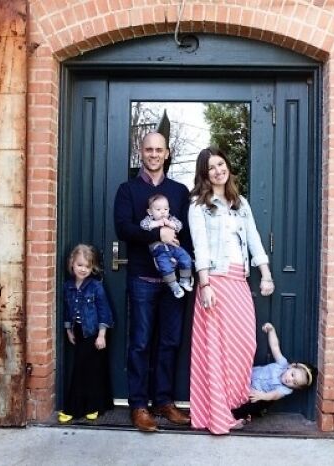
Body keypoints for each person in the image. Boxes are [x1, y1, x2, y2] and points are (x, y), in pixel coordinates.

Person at [188, 146, 275, 435]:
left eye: (221, 164)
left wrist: (266, 275)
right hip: (214, 281)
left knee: (244, 346)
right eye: (211, 167)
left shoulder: (240, 203)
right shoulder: (198, 206)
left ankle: (236, 405)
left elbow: (254, 240)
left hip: (238, 282)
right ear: (204, 174)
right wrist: (205, 285)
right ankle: (218, 414)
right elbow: (199, 247)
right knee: (217, 351)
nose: (218, 170)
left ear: (227, 167)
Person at [114, 132, 192, 432]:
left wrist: (189, 266)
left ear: (167, 153)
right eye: (149, 149)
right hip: (142, 279)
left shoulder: (179, 191)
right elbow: (123, 229)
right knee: (141, 343)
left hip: (174, 280)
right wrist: (155, 234)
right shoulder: (127, 190)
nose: (154, 154)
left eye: (159, 149)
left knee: (170, 342)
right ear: (140, 152)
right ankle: (138, 405)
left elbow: (187, 232)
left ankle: (163, 401)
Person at [58, 244, 114, 423]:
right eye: (80, 265)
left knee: (88, 370)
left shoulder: (96, 287)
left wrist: (102, 335)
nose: (83, 269)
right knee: (86, 369)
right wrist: (68, 329)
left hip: (94, 334)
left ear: (93, 268)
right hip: (79, 333)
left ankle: (77, 409)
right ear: (72, 264)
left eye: (87, 266)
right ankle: (92, 406)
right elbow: (68, 310)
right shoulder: (68, 286)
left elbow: (105, 311)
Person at [231, 323, 317, 421]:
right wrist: (271, 331)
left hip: (258, 392)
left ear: (295, 388)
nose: (290, 380)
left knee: (256, 403)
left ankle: (236, 415)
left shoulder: (285, 390)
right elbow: (275, 347)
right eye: (293, 375)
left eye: (295, 383)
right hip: (248, 375)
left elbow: (274, 395)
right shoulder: (282, 364)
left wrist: (261, 395)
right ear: (291, 366)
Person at [140, 193, 193, 299]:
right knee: (165, 267)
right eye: (158, 209)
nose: (163, 212)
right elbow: (143, 226)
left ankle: (184, 280)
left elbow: (179, 226)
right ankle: (174, 287)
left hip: (173, 246)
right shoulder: (149, 220)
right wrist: (157, 224)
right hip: (159, 249)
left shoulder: (171, 219)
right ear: (150, 212)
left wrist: (169, 224)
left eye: (165, 209)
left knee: (186, 258)